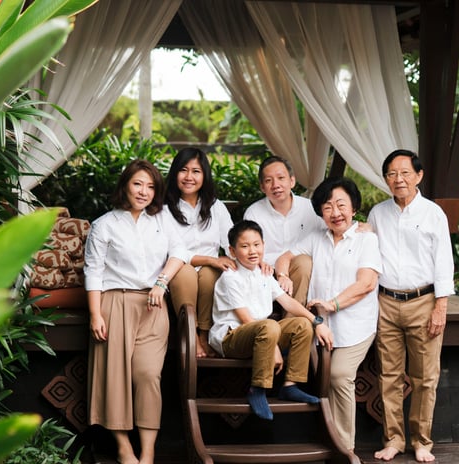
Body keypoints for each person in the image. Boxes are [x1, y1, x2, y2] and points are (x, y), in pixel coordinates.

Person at [84, 159, 191, 464]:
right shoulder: (104, 224)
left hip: (153, 306)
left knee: (147, 375)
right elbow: (93, 271)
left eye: (150, 186)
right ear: (125, 186)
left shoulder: (161, 220)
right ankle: (123, 448)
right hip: (114, 303)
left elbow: (180, 252)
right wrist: (96, 314)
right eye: (137, 184)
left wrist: (161, 282)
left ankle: (148, 453)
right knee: (115, 378)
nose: (144, 191)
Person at [275, 177, 381, 452]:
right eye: (327, 207)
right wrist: (284, 274)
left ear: (354, 207)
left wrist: (332, 304)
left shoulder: (366, 240)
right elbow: (285, 257)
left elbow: (366, 284)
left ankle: (345, 449)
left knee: (339, 375)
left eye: (341, 205)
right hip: (319, 326)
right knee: (320, 375)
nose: (335, 213)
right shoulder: (315, 238)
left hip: (355, 325)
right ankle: (330, 442)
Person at [368, 149, 455, 463]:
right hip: (386, 302)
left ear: (419, 176)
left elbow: (444, 262)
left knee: (424, 378)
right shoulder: (377, 214)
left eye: (405, 173)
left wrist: (440, 307)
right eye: (392, 173)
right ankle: (393, 440)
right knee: (389, 377)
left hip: (423, 301)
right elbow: (368, 258)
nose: (398, 179)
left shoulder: (433, 213)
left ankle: (421, 442)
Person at [209, 220, 334, 420]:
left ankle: (290, 385)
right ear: (232, 251)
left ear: (263, 246)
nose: (252, 251)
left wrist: (317, 322)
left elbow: (288, 302)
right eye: (245, 246)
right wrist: (274, 348)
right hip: (232, 337)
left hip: (264, 333)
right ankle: (257, 389)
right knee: (268, 326)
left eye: (257, 245)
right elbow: (246, 319)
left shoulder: (264, 274)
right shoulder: (229, 278)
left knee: (302, 325)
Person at [162, 147, 235, 358]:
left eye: (196, 171)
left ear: (204, 175)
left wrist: (234, 261)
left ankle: (204, 334)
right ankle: (190, 334)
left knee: (210, 274)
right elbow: (173, 251)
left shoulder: (216, 207)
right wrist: (210, 259)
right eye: (183, 170)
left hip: (208, 271)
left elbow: (230, 242)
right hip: (177, 267)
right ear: (175, 173)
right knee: (185, 272)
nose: (189, 177)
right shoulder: (164, 209)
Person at [244, 156, 324, 305]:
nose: (276, 185)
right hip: (266, 271)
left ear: (292, 181)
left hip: (304, 271)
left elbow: (329, 236)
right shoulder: (253, 213)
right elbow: (247, 249)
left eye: (281, 178)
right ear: (262, 187)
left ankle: (293, 323)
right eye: (268, 181)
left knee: (303, 262)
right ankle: (295, 324)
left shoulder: (310, 208)